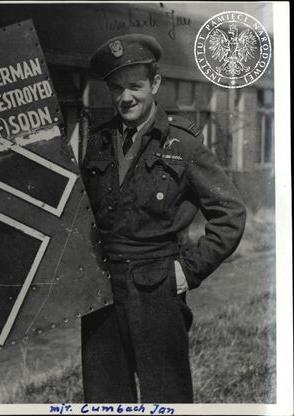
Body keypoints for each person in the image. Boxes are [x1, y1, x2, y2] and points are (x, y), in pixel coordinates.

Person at [80, 34, 246, 403]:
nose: (126, 97)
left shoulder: (184, 145)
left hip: (157, 291)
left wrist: (189, 270)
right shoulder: (98, 141)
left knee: (167, 400)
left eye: (135, 86)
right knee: (104, 399)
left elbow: (230, 213)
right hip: (102, 292)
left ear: (155, 84)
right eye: (117, 88)